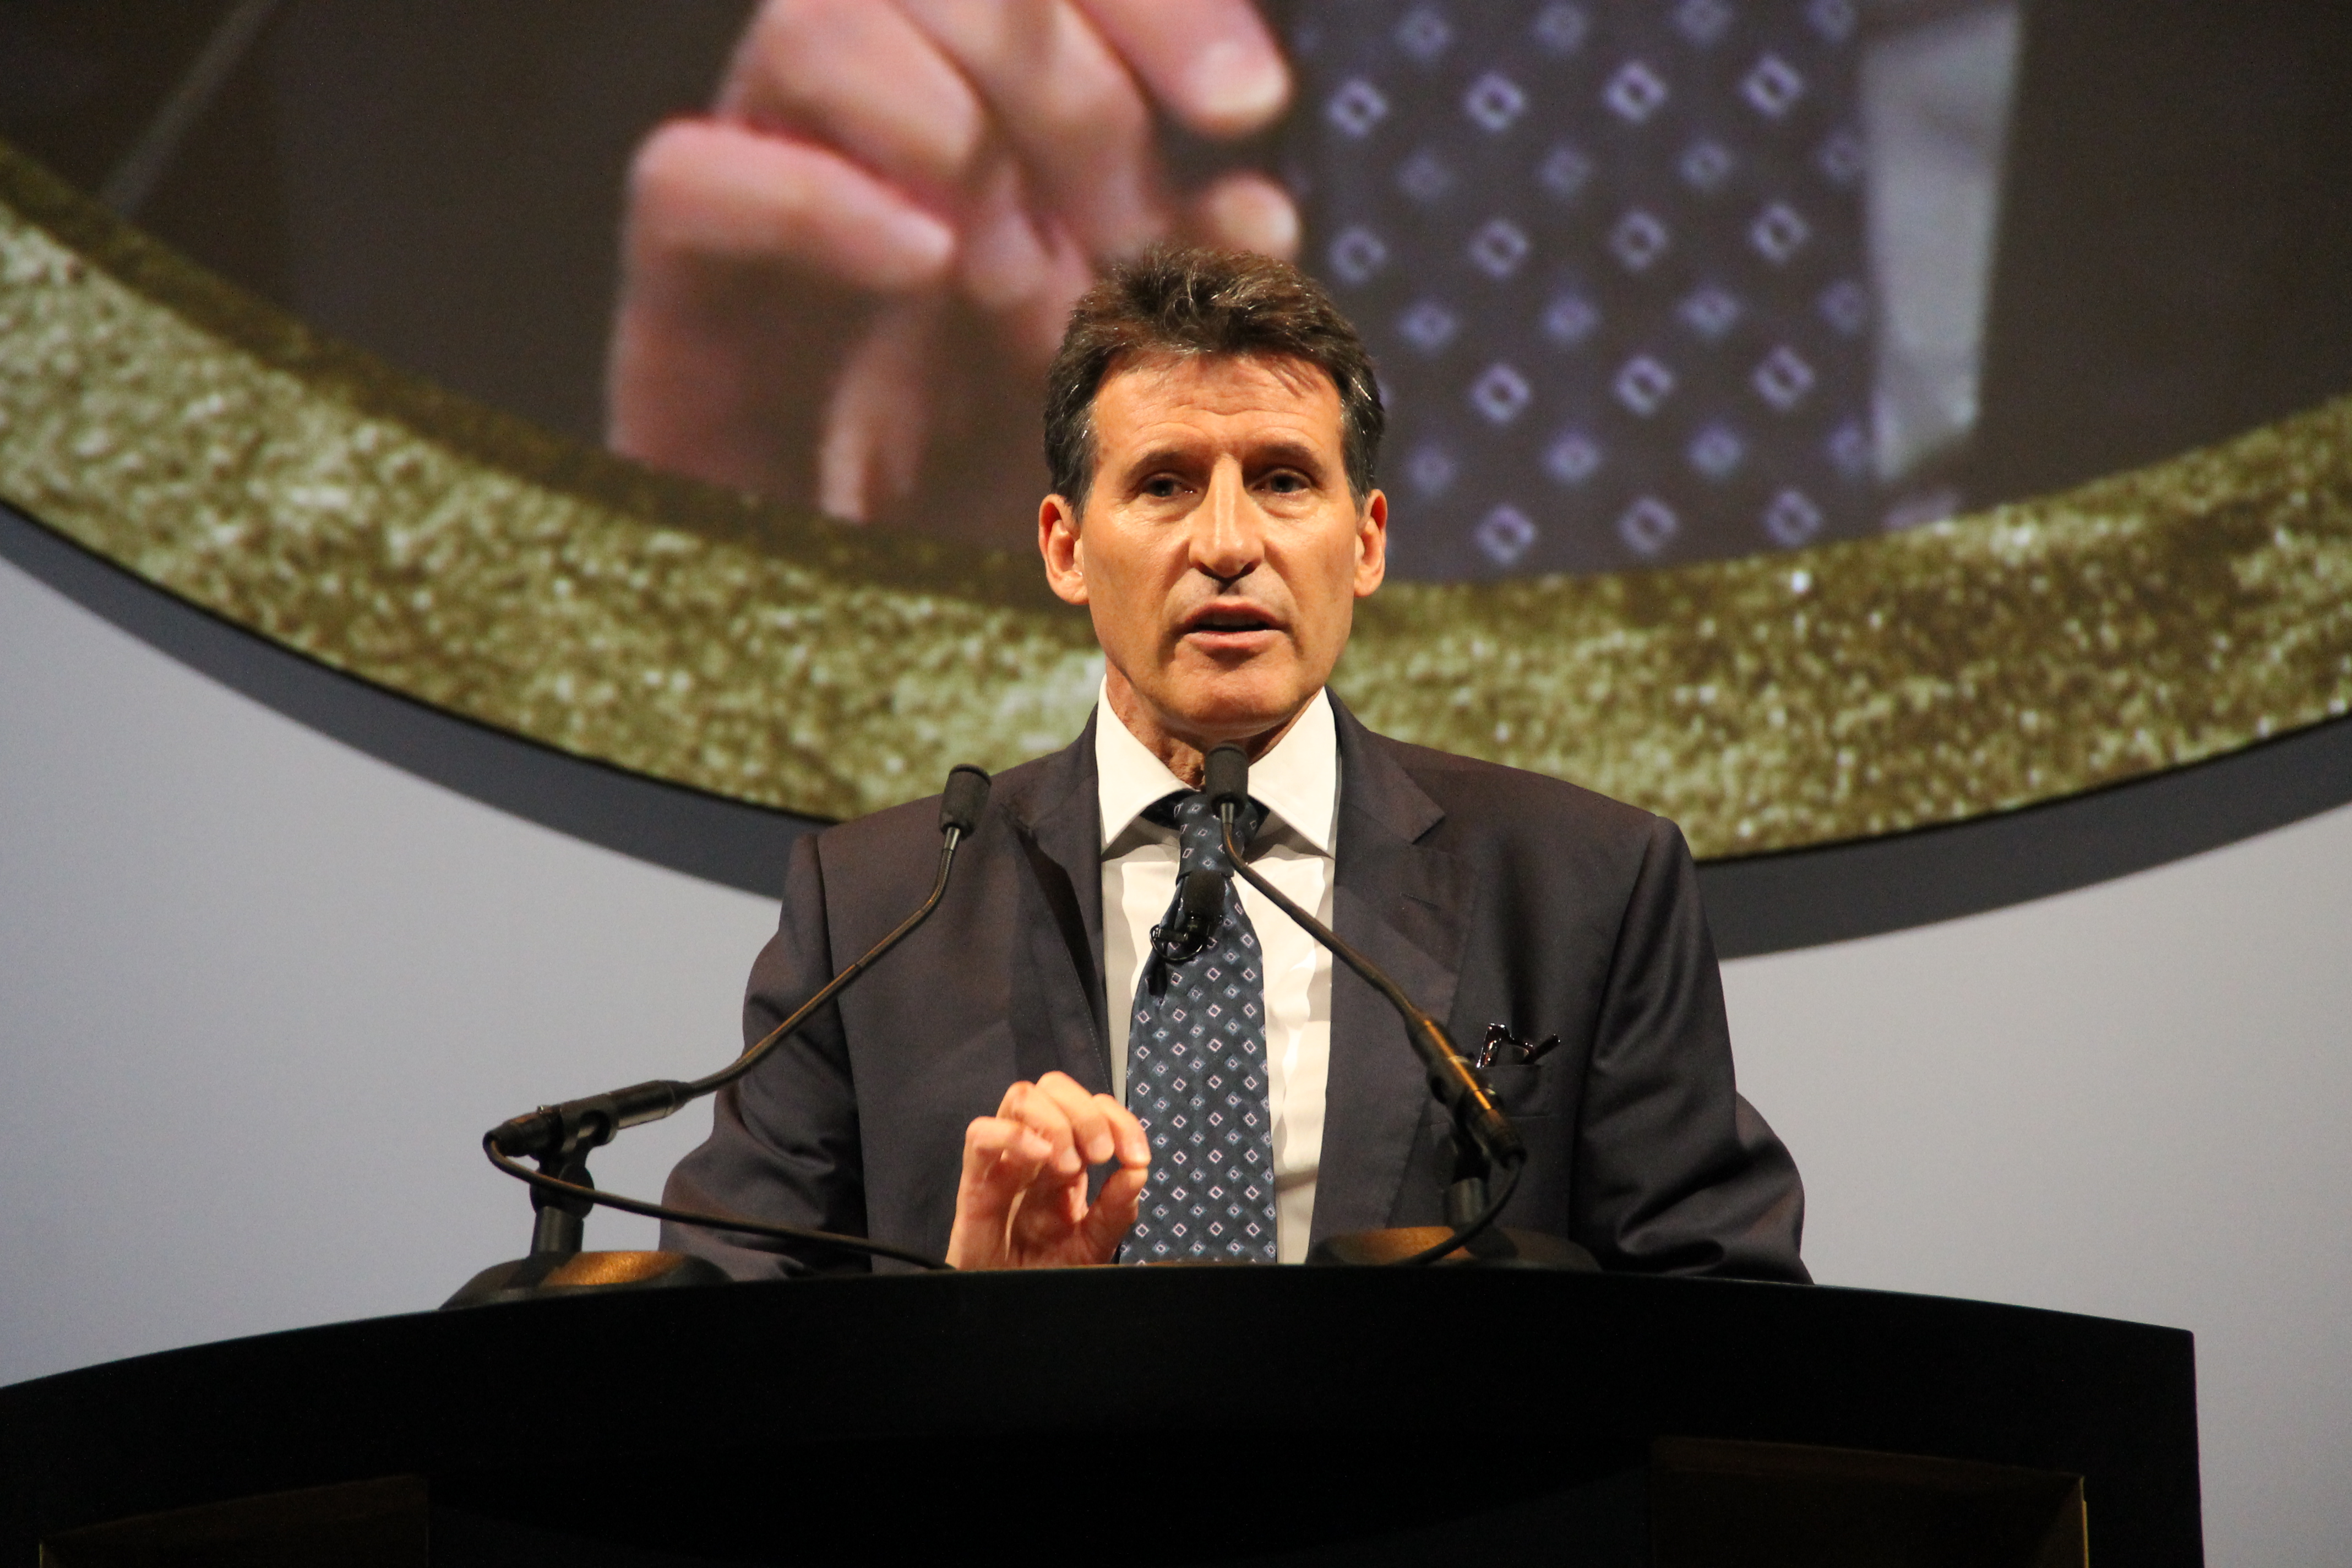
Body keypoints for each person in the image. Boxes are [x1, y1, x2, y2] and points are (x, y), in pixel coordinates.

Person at [661, 244, 1806, 1277]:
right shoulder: (876, 911)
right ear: (1065, 547)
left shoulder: (1583, 886)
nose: (1226, 543)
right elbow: (720, 1339)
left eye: (1283, 479)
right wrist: (970, 1323)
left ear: (1366, 542)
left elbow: (1725, 1300)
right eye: (1164, 484)